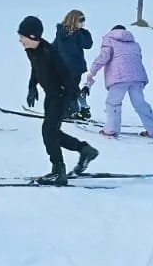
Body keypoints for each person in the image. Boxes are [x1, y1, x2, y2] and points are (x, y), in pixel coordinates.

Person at [19, 16, 98, 185]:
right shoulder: (31, 50)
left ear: (33, 37)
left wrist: (74, 97)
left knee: (48, 132)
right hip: (51, 95)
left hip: (62, 95)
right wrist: (32, 86)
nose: (20, 40)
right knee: (53, 133)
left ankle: (58, 171)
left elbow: (65, 74)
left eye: (23, 36)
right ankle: (85, 150)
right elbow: (35, 68)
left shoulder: (50, 52)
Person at [85, 25, 153, 140]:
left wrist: (92, 72)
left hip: (119, 77)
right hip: (137, 77)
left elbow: (104, 57)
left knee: (113, 103)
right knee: (140, 103)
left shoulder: (109, 40)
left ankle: (111, 129)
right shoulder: (134, 44)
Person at [52, 9, 94, 121]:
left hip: (75, 68)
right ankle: (73, 110)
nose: (83, 24)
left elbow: (88, 44)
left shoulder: (77, 34)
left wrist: (83, 32)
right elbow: (54, 46)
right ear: (74, 21)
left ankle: (76, 110)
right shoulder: (62, 33)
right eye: (81, 22)